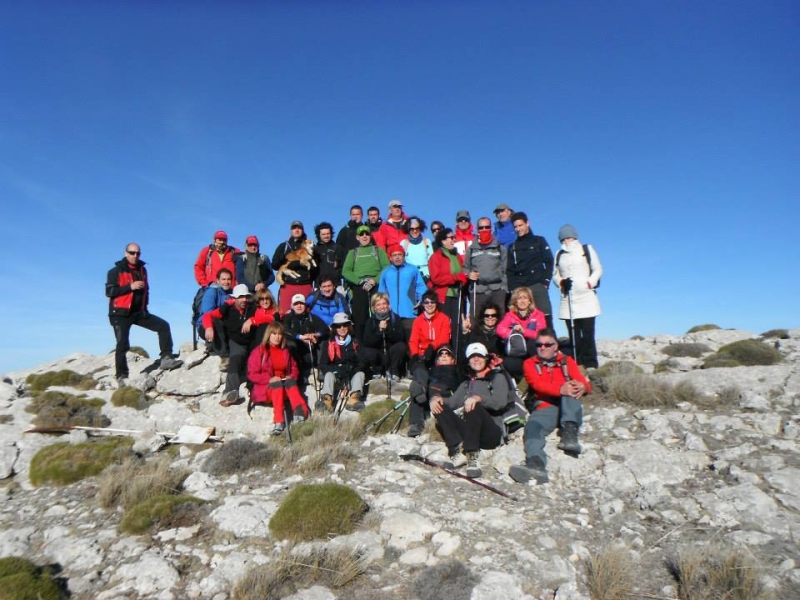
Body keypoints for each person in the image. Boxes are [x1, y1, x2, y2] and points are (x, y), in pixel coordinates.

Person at [508, 329, 591, 484]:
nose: (543, 347)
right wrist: (561, 389)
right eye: (539, 344)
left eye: (548, 344)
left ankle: (570, 435)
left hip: (569, 403)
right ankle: (535, 465)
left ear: (556, 346)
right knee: (532, 428)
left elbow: (583, 382)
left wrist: (583, 387)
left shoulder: (567, 361)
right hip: (546, 406)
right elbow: (537, 385)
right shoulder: (529, 364)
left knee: (572, 389)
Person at [431, 342, 514, 478]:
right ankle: (456, 451)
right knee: (440, 406)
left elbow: (499, 403)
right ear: (468, 362)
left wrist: (479, 398)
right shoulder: (467, 384)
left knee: (473, 405)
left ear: (486, 358)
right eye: (472, 357)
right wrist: (436, 399)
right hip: (470, 431)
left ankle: (472, 455)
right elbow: (452, 403)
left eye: (479, 356)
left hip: (491, 433)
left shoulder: (497, 378)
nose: (476, 359)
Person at [106, 243, 181, 387]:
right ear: (126, 253)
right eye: (132, 253)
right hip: (120, 313)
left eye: (138, 253)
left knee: (163, 326)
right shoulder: (115, 271)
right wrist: (130, 287)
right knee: (122, 344)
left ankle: (166, 358)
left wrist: (145, 307)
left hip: (139, 312)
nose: (135, 256)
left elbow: (146, 290)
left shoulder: (142, 270)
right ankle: (121, 376)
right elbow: (109, 291)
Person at [201, 284, 264, 407]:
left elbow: (268, 318)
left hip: (252, 343)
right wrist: (209, 327)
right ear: (234, 298)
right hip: (236, 343)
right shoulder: (227, 309)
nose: (244, 300)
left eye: (246, 297)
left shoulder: (253, 309)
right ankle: (229, 393)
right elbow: (208, 316)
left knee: (253, 364)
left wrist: (252, 320)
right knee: (235, 360)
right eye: (241, 297)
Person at [552, 224, 603, 369]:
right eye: (563, 239)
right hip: (568, 300)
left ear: (575, 237)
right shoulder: (559, 254)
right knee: (574, 335)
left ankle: (591, 363)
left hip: (586, 298)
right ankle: (578, 364)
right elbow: (555, 274)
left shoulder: (586, 249)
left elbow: (598, 269)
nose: (567, 241)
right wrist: (561, 282)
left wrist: (589, 283)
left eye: (569, 238)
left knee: (588, 333)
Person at [247, 322, 309, 435]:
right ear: (268, 335)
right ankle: (279, 421)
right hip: (266, 388)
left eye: (280, 334)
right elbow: (252, 374)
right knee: (277, 385)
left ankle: (300, 414)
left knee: (290, 382)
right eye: (274, 334)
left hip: (284, 385)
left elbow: (294, 368)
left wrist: (291, 376)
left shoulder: (286, 351)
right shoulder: (259, 351)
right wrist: (269, 379)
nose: (277, 337)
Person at [407, 291, 452, 437]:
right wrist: (414, 355)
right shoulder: (418, 320)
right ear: (422, 304)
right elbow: (413, 340)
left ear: (436, 303)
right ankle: (416, 423)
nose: (429, 305)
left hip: (437, 354)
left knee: (424, 382)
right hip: (421, 357)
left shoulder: (444, 318)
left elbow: (445, 337)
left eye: (432, 302)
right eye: (426, 302)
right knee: (420, 376)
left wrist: (432, 346)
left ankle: (419, 391)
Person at [507, 211, 555, 331]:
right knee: (524, 323)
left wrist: (545, 281)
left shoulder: (539, 241)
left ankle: (550, 342)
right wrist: (514, 289)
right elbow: (510, 270)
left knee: (546, 320)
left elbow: (549, 261)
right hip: (521, 288)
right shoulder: (512, 247)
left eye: (520, 225)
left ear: (527, 223)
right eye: (515, 227)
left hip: (537, 285)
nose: (518, 229)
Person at [342, 225, 389, 338]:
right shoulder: (353, 252)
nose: (364, 236)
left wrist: (375, 280)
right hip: (359, 286)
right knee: (360, 317)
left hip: (376, 286)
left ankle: (379, 338)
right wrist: (359, 281)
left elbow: (386, 267)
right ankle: (361, 342)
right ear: (357, 237)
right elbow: (346, 271)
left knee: (378, 313)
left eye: (367, 234)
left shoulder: (378, 251)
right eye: (361, 234)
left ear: (370, 236)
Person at [496, 286, 547, 381]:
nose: (522, 301)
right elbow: (499, 329)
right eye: (519, 298)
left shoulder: (539, 315)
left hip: (533, 352)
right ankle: (523, 379)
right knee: (507, 362)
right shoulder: (510, 315)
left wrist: (524, 331)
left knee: (533, 343)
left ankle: (537, 377)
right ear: (515, 301)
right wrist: (512, 332)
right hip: (517, 353)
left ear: (529, 301)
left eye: (525, 298)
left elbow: (541, 334)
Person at [319, 313, 367, 412]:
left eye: (345, 325)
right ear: (334, 328)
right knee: (328, 375)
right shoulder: (328, 344)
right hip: (336, 378)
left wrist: (351, 370)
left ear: (349, 327)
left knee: (360, 374)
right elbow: (323, 364)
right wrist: (337, 370)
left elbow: (362, 361)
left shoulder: (356, 342)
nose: (342, 328)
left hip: (351, 378)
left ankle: (353, 399)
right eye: (338, 326)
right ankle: (327, 401)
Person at [464, 216, 508, 325]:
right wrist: (469, 274)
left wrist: (504, 288)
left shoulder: (499, 247)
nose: (484, 230)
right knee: (476, 321)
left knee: (500, 321)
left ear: (491, 228)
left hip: (497, 289)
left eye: (487, 227)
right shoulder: (471, 249)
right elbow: (465, 268)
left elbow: (505, 269)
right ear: (477, 230)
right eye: (481, 227)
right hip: (478, 290)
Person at [378, 244, 428, 337]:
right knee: (395, 342)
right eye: (394, 255)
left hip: (409, 312)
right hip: (391, 313)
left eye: (400, 254)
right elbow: (381, 293)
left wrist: (421, 300)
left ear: (404, 256)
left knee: (410, 340)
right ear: (390, 258)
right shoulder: (385, 272)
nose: (397, 257)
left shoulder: (412, 270)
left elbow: (421, 287)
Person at [282, 294, 328, 392]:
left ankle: (321, 370)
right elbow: (285, 330)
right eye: (296, 304)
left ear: (305, 305)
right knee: (290, 344)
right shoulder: (288, 317)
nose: (299, 306)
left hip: (310, 350)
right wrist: (301, 337)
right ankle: (296, 375)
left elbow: (324, 329)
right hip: (297, 351)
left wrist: (315, 335)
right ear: (292, 306)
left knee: (324, 340)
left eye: (301, 303)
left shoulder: (311, 317)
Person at [428, 228, 467, 344]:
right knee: (444, 326)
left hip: (457, 295)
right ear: (443, 241)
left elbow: (462, 273)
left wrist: (465, 278)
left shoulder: (457, 256)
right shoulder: (436, 257)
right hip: (443, 296)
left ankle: (457, 351)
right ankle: (444, 350)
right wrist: (455, 278)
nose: (454, 240)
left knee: (457, 326)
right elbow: (436, 278)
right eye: (451, 238)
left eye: (454, 237)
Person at [361, 292, 407, 380]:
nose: (382, 307)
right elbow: (367, 341)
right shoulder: (370, 321)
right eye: (378, 305)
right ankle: (377, 372)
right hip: (378, 354)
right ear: (374, 307)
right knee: (367, 350)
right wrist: (379, 331)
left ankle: (394, 372)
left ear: (388, 305)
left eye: (384, 303)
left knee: (401, 346)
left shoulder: (395, 318)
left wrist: (387, 330)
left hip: (391, 353)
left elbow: (400, 338)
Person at [272, 220, 315, 313]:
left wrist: (300, 264)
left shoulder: (309, 245)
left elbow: (315, 265)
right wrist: (283, 258)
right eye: (294, 228)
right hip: (288, 285)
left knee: (307, 313)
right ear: (291, 231)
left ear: (303, 230)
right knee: (285, 313)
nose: (297, 230)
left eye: (299, 228)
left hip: (305, 284)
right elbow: (274, 265)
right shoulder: (284, 246)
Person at [196, 268, 234, 362]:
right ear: (218, 280)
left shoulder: (233, 294)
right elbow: (207, 314)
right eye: (223, 279)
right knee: (216, 320)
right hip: (206, 326)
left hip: (224, 325)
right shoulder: (212, 292)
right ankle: (224, 355)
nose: (226, 282)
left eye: (228, 279)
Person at [399, 216, 434, 281]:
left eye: (417, 228)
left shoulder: (427, 242)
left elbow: (432, 261)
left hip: (427, 277)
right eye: (412, 229)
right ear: (408, 230)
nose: (415, 231)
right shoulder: (403, 243)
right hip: (409, 277)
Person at [313, 222, 346, 286]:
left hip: (335, 284)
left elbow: (344, 266)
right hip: (319, 284)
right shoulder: (315, 250)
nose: (326, 236)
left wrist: (338, 275)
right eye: (323, 234)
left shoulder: (338, 248)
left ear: (331, 234)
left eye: (328, 233)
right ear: (319, 235)